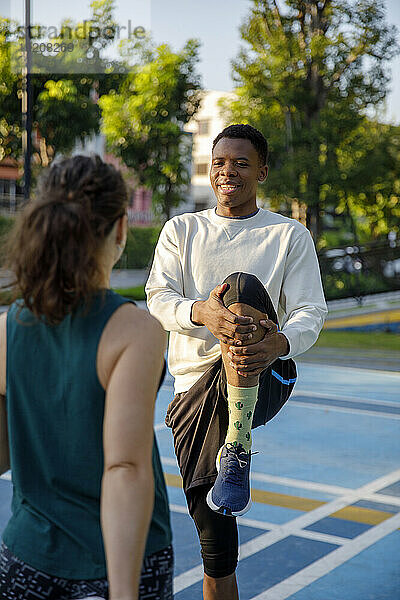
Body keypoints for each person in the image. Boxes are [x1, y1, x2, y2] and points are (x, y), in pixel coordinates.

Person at [146, 123, 328, 600]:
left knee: (243, 288)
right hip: (195, 391)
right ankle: (230, 454)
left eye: (242, 163)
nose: (228, 172)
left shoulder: (289, 236)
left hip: (264, 376)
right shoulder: (181, 230)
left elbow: (312, 309)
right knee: (216, 547)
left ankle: (239, 442)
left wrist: (280, 342)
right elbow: (158, 297)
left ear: (262, 171)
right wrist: (201, 312)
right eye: (220, 163)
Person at [0, 154, 173, 600]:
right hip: (111, 561)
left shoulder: (8, 325)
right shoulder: (134, 330)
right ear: (119, 228)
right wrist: (122, 593)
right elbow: (124, 467)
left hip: (25, 555)